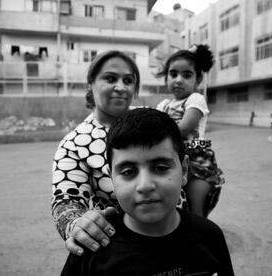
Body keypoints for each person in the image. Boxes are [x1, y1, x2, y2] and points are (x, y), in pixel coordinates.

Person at [61, 108, 234, 276]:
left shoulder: (210, 236)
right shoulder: (92, 247)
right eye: (128, 172)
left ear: (184, 170)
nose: (144, 185)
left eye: (160, 168)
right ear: (112, 177)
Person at [51, 50, 188, 256]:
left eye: (128, 80)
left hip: (182, 237)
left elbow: (183, 148)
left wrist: (203, 154)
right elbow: (66, 202)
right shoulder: (74, 144)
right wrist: (77, 225)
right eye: (110, 78)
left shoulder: (151, 118)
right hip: (126, 254)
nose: (121, 87)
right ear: (91, 84)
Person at [156, 44, 224, 217]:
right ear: (166, 78)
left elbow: (183, 129)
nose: (179, 79)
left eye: (186, 75)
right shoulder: (163, 105)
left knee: (195, 211)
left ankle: (200, 238)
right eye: (173, 74)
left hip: (196, 157)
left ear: (198, 80)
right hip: (171, 154)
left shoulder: (196, 99)